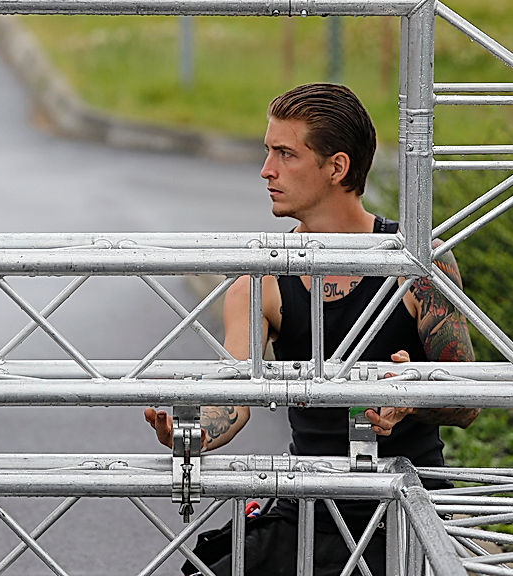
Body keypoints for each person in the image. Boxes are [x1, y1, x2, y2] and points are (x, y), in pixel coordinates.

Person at [145, 83, 478, 575]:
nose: (266, 170)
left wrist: (416, 393)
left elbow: (469, 401)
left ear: (336, 167)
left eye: (285, 154)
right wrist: (188, 432)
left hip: (409, 506)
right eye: (267, 152)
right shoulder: (260, 283)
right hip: (306, 510)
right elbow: (233, 402)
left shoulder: (417, 261)